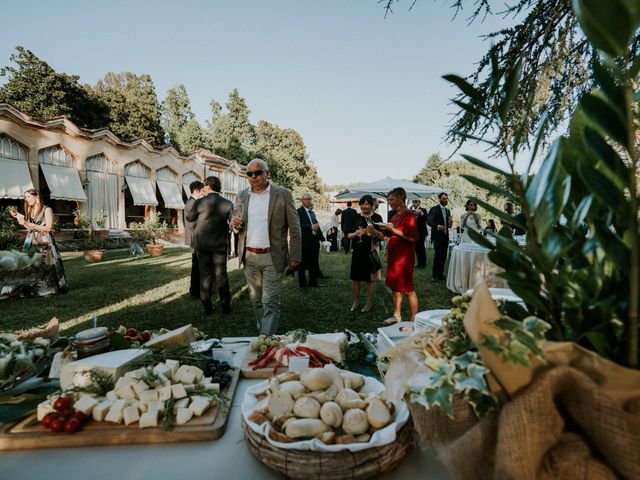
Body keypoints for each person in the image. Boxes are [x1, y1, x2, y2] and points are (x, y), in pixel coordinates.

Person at [230, 158, 301, 335]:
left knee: (270, 300)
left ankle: (266, 339)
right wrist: (234, 225)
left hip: (273, 255)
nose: (254, 177)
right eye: (249, 174)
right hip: (249, 256)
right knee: (256, 299)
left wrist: (295, 256)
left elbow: (295, 227)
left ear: (267, 173)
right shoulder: (242, 196)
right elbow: (237, 224)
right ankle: (264, 328)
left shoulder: (282, 194)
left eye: (258, 172)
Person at [185, 176, 233, 316]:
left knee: (204, 275)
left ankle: (207, 307)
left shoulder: (200, 202)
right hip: (220, 245)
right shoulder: (228, 203)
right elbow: (233, 223)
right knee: (221, 274)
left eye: (205, 186)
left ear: (208, 187)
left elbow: (189, 217)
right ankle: (225, 307)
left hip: (203, 245)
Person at [9, 189, 68, 295]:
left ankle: (48, 288)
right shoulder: (30, 211)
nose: (26, 200)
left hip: (45, 241)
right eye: (25, 198)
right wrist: (19, 218)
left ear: (36, 197)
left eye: (28, 197)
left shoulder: (47, 209)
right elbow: (30, 228)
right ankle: (33, 287)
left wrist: (28, 223)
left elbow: (49, 227)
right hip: (32, 240)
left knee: (46, 265)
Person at [382, 188, 418, 324]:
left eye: (391, 199)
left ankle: (414, 318)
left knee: (408, 289)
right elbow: (385, 236)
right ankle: (397, 316)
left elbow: (412, 238)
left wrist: (393, 230)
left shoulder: (409, 215)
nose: (389, 202)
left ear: (401, 198)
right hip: (393, 257)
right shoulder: (394, 216)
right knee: (395, 288)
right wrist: (374, 231)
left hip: (404, 258)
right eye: (388, 200)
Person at [347, 195, 384, 313]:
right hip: (357, 250)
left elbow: (382, 237)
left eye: (367, 204)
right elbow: (348, 235)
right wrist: (356, 233)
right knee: (355, 278)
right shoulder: (355, 217)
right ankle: (356, 301)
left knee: (370, 279)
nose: (364, 206)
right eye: (362, 204)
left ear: (372, 205)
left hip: (371, 251)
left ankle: (369, 303)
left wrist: (374, 232)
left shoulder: (377, 217)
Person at [297, 192, 325, 290]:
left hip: (314, 241)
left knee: (314, 263)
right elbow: (297, 226)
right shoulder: (298, 211)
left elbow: (315, 224)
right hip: (305, 241)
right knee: (303, 263)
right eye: (306, 199)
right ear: (302, 201)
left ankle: (313, 282)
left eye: (310, 199)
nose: (308, 200)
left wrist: (321, 237)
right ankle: (302, 285)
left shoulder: (312, 212)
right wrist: (310, 227)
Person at [184, 180, 204, 300]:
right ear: (196, 191)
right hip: (196, 238)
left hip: (195, 238)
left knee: (197, 265)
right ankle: (195, 291)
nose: (203, 194)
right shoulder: (192, 203)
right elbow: (194, 223)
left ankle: (196, 290)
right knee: (196, 266)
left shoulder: (192, 202)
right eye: (202, 192)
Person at [427, 192, 452, 283]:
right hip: (437, 236)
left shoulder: (448, 211)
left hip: (445, 236)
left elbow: (448, 225)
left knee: (443, 256)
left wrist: (450, 223)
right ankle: (434, 275)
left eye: (446, 199)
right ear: (439, 199)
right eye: (443, 198)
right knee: (437, 256)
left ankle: (440, 274)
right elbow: (429, 221)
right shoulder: (434, 209)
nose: (445, 200)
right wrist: (437, 226)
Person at [411, 199, 428, 268]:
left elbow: (427, 218)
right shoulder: (411, 211)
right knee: (416, 248)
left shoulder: (423, 210)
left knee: (421, 247)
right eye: (414, 202)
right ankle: (419, 263)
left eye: (417, 202)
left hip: (421, 232)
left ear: (419, 202)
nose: (416, 203)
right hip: (414, 232)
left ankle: (423, 263)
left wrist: (421, 213)